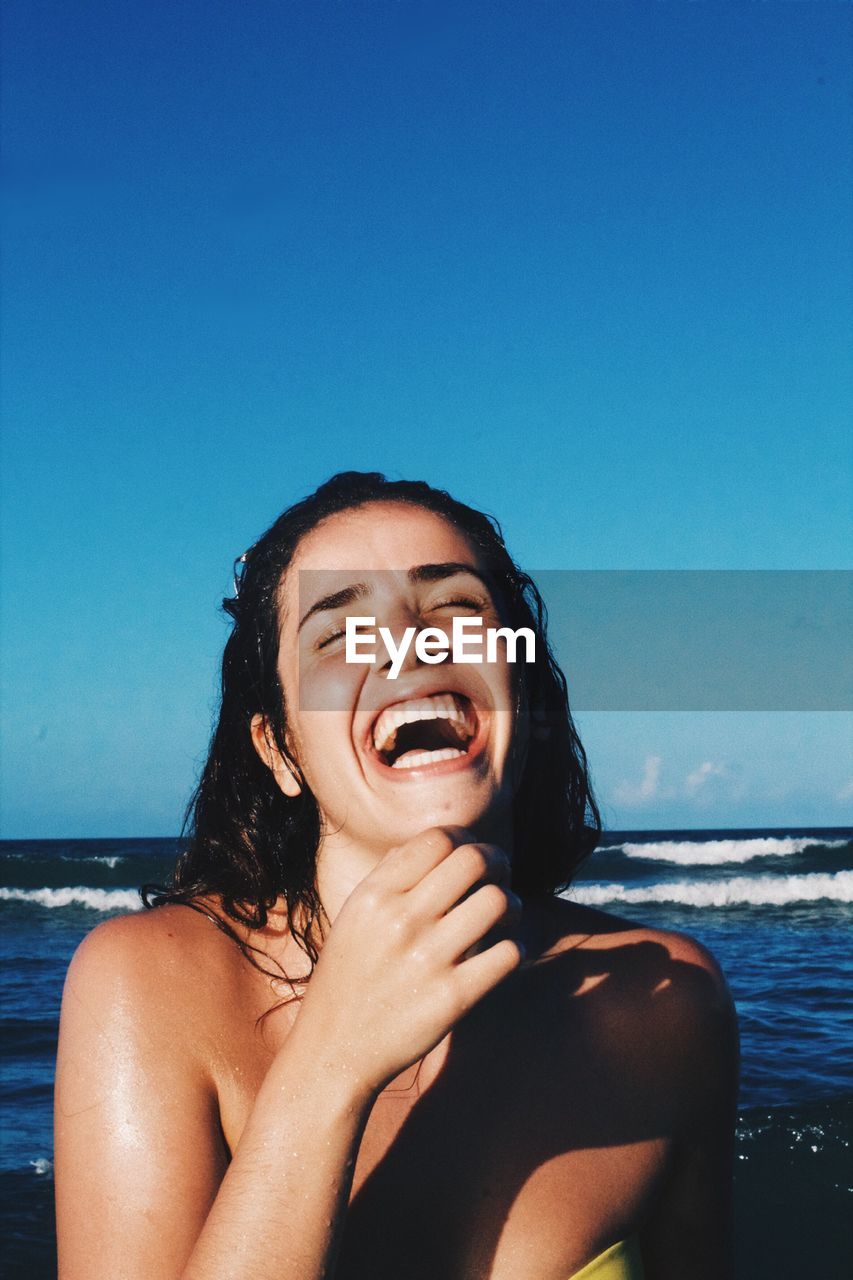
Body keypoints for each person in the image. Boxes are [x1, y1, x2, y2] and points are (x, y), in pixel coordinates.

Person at [54, 471, 738, 1280]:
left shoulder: (665, 1005)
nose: (414, 646)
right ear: (280, 749)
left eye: (459, 610)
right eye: (339, 636)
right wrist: (330, 1067)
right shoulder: (148, 984)